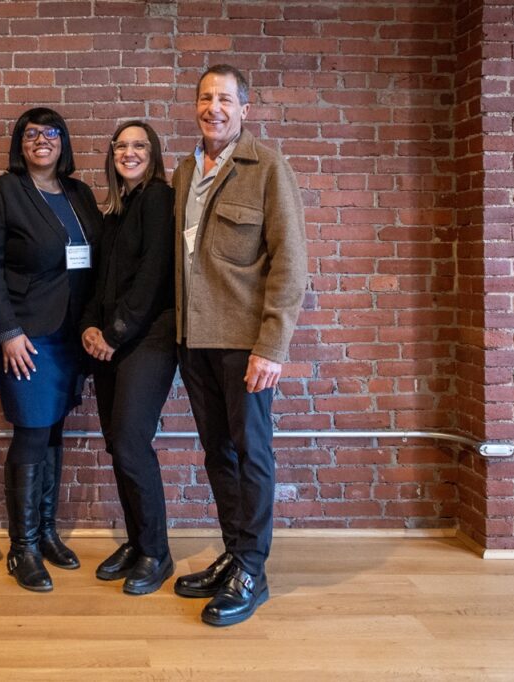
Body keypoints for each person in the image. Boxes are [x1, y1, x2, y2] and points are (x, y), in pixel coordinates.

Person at [172, 65, 308, 626]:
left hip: (245, 345)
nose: (214, 108)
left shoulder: (268, 168)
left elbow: (292, 265)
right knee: (217, 452)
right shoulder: (185, 169)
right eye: (206, 98)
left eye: (225, 99)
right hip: (194, 341)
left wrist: (271, 347)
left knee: (251, 454)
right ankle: (233, 553)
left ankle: (253, 569)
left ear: (245, 108)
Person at [0, 107, 102, 592]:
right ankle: (22, 548)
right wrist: (7, 331)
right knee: (31, 432)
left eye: (51, 132)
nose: (41, 140)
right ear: (19, 143)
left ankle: (46, 532)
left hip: (72, 336)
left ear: (63, 142)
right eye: (31, 134)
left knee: (53, 431)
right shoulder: (1, 192)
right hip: (25, 337)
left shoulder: (79, 194)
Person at [81, 121, 177, 595]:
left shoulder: (159, 199)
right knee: (119, 444)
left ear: (154, 153)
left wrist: (114, 334)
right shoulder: (115, 211)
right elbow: (101, 284)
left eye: (140, 146)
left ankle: (157, 553)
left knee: (132, 441)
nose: (130, 152)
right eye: (122, 146)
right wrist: (89, 327)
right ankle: (138, 543)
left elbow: (153, 279)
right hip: (109, 343)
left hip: (148, 340)